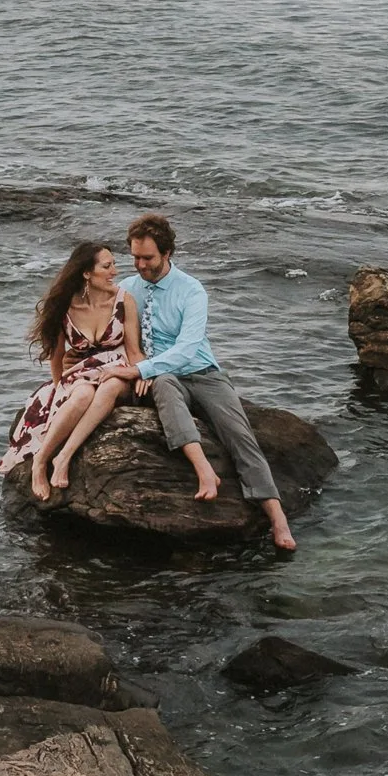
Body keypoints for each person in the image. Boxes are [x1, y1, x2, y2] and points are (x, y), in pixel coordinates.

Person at [118, 213, 297, 552]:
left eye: (148, 258)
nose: (140, 265)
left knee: (239, 434)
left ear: (168, 253)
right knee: (166, 386)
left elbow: (187, 348)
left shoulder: (192, 290)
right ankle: (204, 471)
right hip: (164, 375)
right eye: (135, 257)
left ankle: (277, 517)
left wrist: (143, 370)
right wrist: (141, 367)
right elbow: (125, 340)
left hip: (202, 372)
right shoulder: (126, 289)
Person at [0, 240, 142, 501]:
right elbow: (57, 356)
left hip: (117, 369)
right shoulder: (64, 306)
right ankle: (41, 461)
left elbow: (134, 350)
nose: (115, 272)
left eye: (114, 265)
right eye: (107, 266)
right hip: (82, 373)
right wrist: (58, 387)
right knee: (82, 395)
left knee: (109, 386)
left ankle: (63, 457)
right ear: (86, 273)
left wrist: (144, 372)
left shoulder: (124, 300)